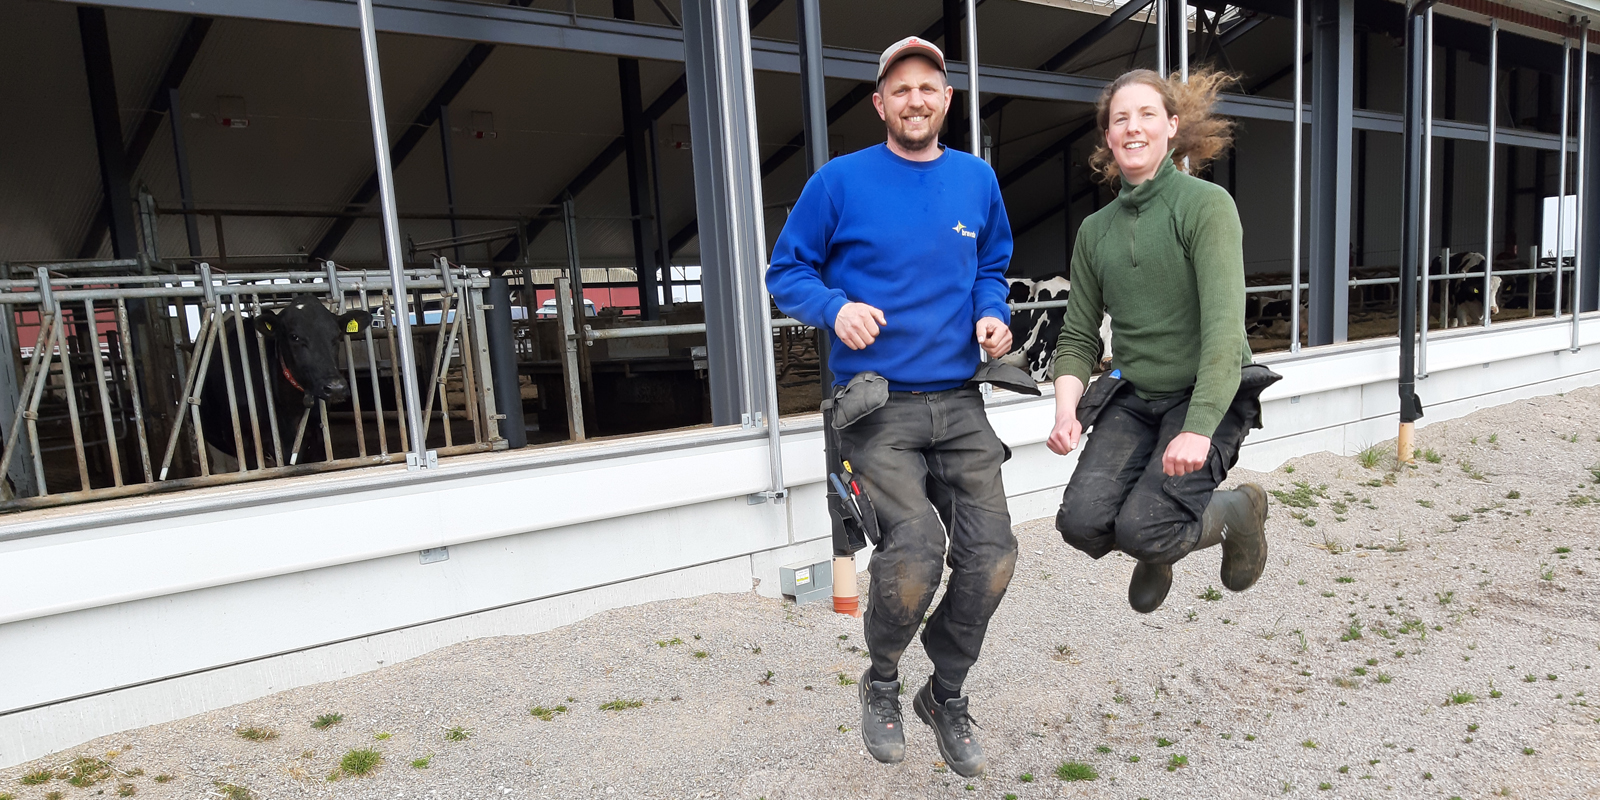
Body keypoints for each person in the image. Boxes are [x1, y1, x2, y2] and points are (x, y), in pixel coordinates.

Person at [765, 36, 1017, 778]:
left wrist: (992, 314)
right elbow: (786, 271)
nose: (915, 100)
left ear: (946, 100)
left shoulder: (977, 180)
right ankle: (881, 680)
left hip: (960, 400)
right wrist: (834, 307)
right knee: (913, 553)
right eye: (900, 89)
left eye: (928, 88)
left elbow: (992, 266)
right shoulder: (839, 183)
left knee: (994, 557)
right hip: (877, 409)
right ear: (880, 103)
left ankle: (945, 693)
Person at [1047, 69, 1277, 615]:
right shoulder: (1094, 232)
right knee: (1079, 524)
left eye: (1147, 115)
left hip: (1206, 393)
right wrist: (1064, 410)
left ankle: (1237, 512)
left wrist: (1198, 430)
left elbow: (1225, 331)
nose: (1133, 128)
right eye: (1119, 118)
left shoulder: (1205, 206)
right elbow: (1079, 335)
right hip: (1137, 394)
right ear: (1107, 136)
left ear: (1172, 127)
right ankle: (1158, 536)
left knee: (1145, 529)